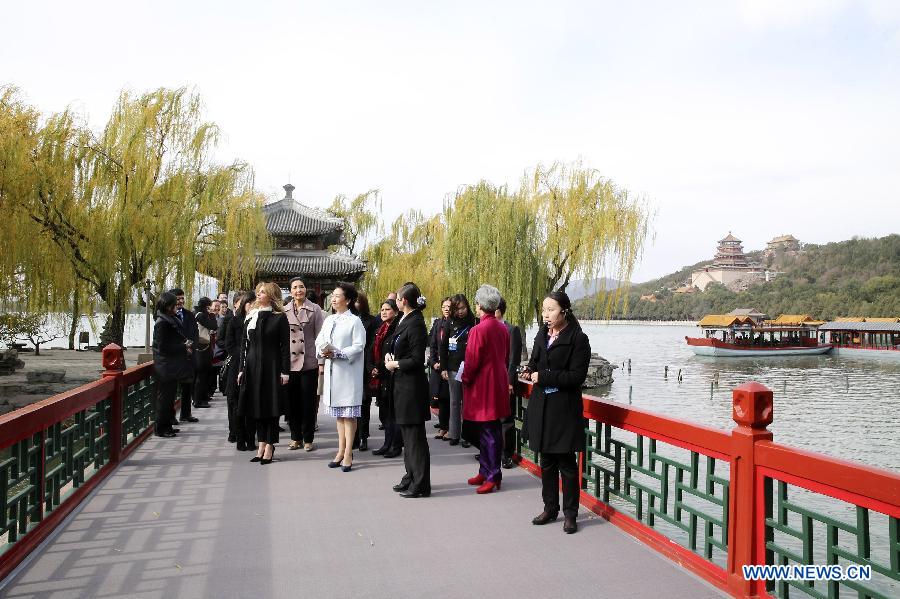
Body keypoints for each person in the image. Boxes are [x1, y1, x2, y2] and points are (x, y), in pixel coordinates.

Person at [523, 291, 591, 534]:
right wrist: (529, 369)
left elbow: (576, 377)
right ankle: (550, 508)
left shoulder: (578, 339)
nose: (546, 314)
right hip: (542, 406)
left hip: (563, 409)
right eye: (544, 310)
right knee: (547, 462)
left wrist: (544, 376)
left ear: (564, 311)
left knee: (567, 464)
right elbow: (535, 361)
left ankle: (570, 514)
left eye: (551, 310)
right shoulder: (542, 334)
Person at [460, 285, 510, 494]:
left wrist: (465, 378)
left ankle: (492, 474)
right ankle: (486, 470)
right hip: (497, 381)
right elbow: (506, 356)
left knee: (488, 431)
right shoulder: (502, 328)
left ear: (479, 305)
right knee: (490, 429)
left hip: (483, 385)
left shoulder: (478, 330)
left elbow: (472, 360)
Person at [385, 282, 431, 498]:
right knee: (407, 437)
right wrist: (389, 356)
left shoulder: (416, 323)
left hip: (411, 389)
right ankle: (410, 476)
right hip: (401, 386)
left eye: (397, 298)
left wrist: (396, 364)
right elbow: (395, 345)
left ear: (403, 301)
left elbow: (417, 359)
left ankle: (421, 483)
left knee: (415, 439)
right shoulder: (405, 319)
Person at [237, 282, 291, 465]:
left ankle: (270, 446)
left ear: (271, 296)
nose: (258, 295)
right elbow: (244, 346)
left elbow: (285, 347)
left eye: (262, 292)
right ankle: (261, 444)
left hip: (272, 366)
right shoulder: (251, 316)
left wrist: (285, 372)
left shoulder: (279, 317)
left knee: (271, 407)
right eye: (258, 292)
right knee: (256, 406)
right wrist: (241, 369)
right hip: (252, 367)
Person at [316, 282, 366, 472]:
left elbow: (359, 345)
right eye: (333, 296)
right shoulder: (329, 319)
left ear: (348, 300)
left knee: (348, 415)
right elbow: (319, 340)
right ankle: (340, 450)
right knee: (339, 416)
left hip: (348, 373)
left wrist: (337, 353)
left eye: (338, 296)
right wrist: (323, 350)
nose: (334, 299)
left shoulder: (355, 321)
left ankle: (348, 453)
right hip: (332, 371)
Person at [284, 277, 325, 452]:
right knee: (292, 403)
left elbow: (321, 338)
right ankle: (295, 437)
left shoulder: (315, 309)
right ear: (290, 291)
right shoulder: (284, 310)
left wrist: (321, 362)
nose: (298, 290)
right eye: (295, 287)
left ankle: (308, 438)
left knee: (308, 403)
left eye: (301, 287)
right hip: (290, 363)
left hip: (309, 362)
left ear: (306, 289)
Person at [152, 292, 193, 438]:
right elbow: (162, 347)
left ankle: (168, 425)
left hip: (171, 365)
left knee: (169, 399)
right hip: (165, 367)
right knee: (164, 399)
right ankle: (160, 428)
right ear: (167, 306)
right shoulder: (162, 322)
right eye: (174, 304)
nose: (177, 306)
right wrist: (183, 347)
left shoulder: (170, 318)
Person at [439, 294, 477, 446]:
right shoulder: (449, 322)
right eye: (457, 309)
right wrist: (443, 367)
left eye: (463, 308)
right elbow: (443, 346)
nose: (460, 311)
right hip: (453, 367)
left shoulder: (475, 321)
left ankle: (468, 436)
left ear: (467, 306)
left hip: (470, 367)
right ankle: (454, 434)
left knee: (469, 403)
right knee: (454, 402)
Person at [368, 299, 400, 456]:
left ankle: (395, 445)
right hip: (380, 375)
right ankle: (387, 443)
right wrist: (371, 368)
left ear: (395, 311)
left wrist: (378, 368)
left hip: (391, 374)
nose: (384, 312)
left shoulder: (397, 329)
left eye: (387, 309)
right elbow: (371, 350)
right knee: (384, 412)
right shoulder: (380, 329)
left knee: (392, 413)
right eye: (382, 309)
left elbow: (391, 353)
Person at [224, 291, 255, 450]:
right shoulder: (234, 321)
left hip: (254, 366)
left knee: (251, 403)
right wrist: (243, 356)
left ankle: (250, 437)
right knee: (235, 402)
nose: (252, 306)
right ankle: (236, 434)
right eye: (249, 303)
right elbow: (228, 344)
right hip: (237, 366)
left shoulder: (258, 320)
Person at [497, 298, 523, 469]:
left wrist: (510, 381)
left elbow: (514, 360)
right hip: (489, 381)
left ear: (499, 310)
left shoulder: (511, 330)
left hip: (505, 381)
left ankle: (507, 455)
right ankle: (491, 451)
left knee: (506, 419)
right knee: (490, 419)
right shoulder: (484, 329)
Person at [353, 292, 380, 451]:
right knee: (351, 402)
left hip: (364, 365)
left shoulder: (372, 320)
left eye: (358, 300)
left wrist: (371, 365)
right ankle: (353, 436)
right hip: (349, 365)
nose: (355, 303)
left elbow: (373, 345)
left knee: (364, 402)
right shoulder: (347, 319)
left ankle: (363, 436)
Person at [168, 288, 200, 425]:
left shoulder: (189, 314)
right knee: (172, 389)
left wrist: (191, 347)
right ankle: (171, 417)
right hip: (175, 358)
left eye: (182, 298)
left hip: (189, 356)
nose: (181, 301)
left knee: (187, 386)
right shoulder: (168, 316)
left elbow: (195, 334)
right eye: (178, 299)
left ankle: (186, 414)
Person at [429, 298, 451, 440]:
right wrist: (433, 362)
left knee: (450, 399)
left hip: (449, 368)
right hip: (438, 368)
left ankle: (451, 428)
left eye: (449, 306)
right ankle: (443, 427)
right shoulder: (438, 323)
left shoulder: (455, 324)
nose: (446, 309)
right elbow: (433, 345)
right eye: (444, 306)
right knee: (441, 398)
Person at [192, 297, 218, 409]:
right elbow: (213, 326)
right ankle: (198, 400)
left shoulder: (197, 314)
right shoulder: (201, 315)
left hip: (201, 348)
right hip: (201, 348)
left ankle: (201, 397)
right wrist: (212, 316)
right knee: (201, 375)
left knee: (202, 375)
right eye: (209, 307)